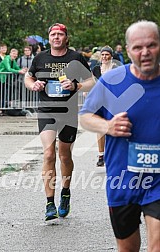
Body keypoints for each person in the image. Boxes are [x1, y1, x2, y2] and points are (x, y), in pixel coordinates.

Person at [79, 20, 160, 251]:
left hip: (158, 181)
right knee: (127, 248)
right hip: (122, 181)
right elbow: (85, 116)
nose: (145, 52)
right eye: (137, 47)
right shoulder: (112, 81)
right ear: (127, 50)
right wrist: (108, 127)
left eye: (151, 45)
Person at [24, 23, 94, 221]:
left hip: (68, 112)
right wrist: (33, 84)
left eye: (60, 34)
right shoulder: (40, 58)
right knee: (48, 154)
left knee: (64, 156)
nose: (56, 37)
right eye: (53, 34)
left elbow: (91, 82)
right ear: (49, 38)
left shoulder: (75, 57)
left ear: (66, 37)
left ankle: (65, 192)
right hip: (47, 112)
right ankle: (49, 203)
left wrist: (76, 84)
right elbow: (28, 78)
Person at [92, 45, 121, 167]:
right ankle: (101, 155)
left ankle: (113, 154)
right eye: (102, 54)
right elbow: (93, 83)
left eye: (107, 54)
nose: (104, 57)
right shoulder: (96, 69)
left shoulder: (116, 68)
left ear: (111, 56)